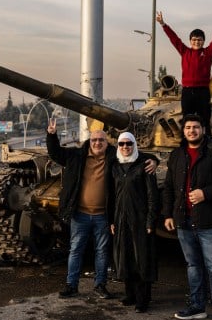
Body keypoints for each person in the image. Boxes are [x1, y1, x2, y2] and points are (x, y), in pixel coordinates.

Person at [47, 119, 156, 299]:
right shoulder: (77, 155)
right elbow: (56, 153)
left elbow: (136, 154)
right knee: (75, 250)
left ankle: (100, 285)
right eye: (94, 140)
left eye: (101, 140)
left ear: (108, 143)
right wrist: (52, 135)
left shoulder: (114, 156)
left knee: (102, 251)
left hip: (103, 216)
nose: (97, 143)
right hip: (80, 213)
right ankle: (71, 285)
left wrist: (155, 161)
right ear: (89, 142)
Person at [161, 113, 212, 320]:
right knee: (193, 266)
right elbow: (168, 187)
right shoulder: (177, 155)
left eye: (195, 127)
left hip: (210, 220)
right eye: (188, 128)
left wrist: (205, 193)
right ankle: (197, 306)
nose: (192, 131)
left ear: (203, 129)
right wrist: (168, 214)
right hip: (184, 219)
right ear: (183, 131)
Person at [156, 9, 212, 137]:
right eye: (194, 40)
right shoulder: (185, 52)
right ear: (190, 41)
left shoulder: (208, 53)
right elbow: (174, 38)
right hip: (187, 92)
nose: (196, 42)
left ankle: (207, 143)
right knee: (187, 120)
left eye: (199, 40)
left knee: (204, 119)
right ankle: (185, 144)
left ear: (203, 41)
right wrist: (163, 24)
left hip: (203, 92)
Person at [108, 131, 159, 313]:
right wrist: (112, 220)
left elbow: (153, 195)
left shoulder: (144, 164)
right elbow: (112, 196)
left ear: (134, 145)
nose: (125, 147)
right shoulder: (115, 166)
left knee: (141, 259)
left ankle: (143, 299)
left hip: (139, 218)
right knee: (125, 256)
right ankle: (130, 294)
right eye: (121, 144)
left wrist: (150, 221)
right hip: (121, 218)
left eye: (129, 144)